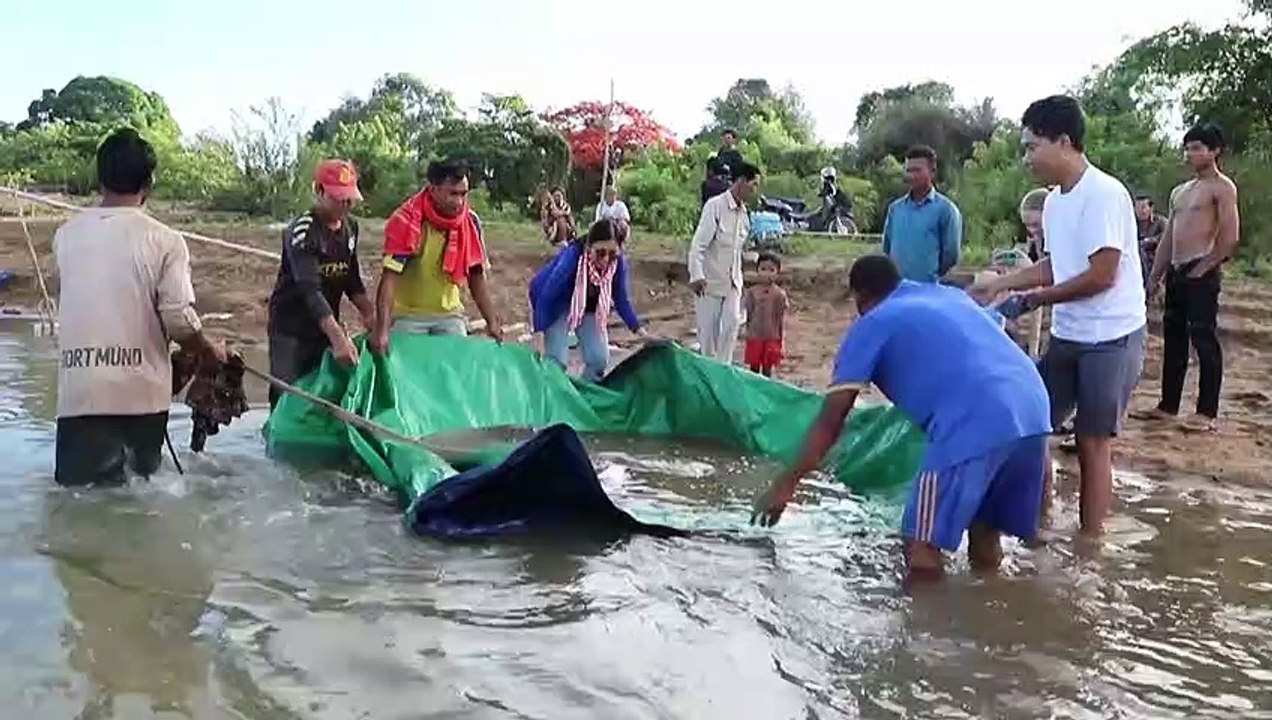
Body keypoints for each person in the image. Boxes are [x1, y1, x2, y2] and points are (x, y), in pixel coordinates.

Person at [751, 255, 1051, 580]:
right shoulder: (945, 296)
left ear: (860, 296)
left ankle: (923, 628)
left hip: (972, 421)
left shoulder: (872, 323)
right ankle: (992, 614)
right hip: (1034, 410)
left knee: (919, 545)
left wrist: (787, 482)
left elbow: (832, 418)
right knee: (985, 531)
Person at [970, 94, 1146, 538]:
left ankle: (1091, 545)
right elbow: (1059, 264)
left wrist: (1034, 299)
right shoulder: (1053, 202)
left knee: (1092, 441)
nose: (1027, 157)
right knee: (1031, 423)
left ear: (1064, 142)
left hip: (1112, 336)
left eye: (1032, 146)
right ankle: (1037, 522)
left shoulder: (1104, 194)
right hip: (1069, 333)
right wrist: (1005, 283)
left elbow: (1101, 275)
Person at [52, 128, 225, 487]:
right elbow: (178, 319)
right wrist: (208, 351)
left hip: (78, 398)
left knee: (81, 504)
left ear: (100, 179)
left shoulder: (65, 236)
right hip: (139, 399)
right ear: (150, 181)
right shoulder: (165, 241)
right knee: (137, 501)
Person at [1142, 123, 1240, 432]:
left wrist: (1206, 266)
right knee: (1173, 339)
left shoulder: (1222, 187)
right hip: (1177, 269)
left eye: (1198, 147)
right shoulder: (1180, 192)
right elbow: (1168, 238)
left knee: (1203, 338)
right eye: (1188, 147)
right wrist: (1155, 275)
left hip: (1202, 267)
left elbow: (1230, 235)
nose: (1191, 154)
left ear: (1214, 151)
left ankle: (1206, 412)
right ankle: (1168, 405)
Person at [265, 159, 375, 409]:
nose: (345, 205)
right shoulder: (303, 232)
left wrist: (370, 314)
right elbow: (310, 290)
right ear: (319, 191)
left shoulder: (351, 228)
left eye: (349, 198)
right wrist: (338, 338)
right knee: (287, 394)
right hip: (292, 329)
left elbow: (352, 279)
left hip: (323, 326)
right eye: (338, 198)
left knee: (322, 391)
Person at [370, 158, 503, 352]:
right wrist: (382, 330)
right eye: (453, 194)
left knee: (456, 371)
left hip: (449, 314)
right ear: (433, 190)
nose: (459, 202)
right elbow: (389, 278)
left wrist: (491, 320)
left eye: (463, 194)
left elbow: (476, 275)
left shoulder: (470, 222)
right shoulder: (406, 221)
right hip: (408, 315)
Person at [529, 219, 649, 380]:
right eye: (600, 253)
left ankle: (584, 395)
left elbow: (621, 299)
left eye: (612, 254)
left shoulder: (618, 264)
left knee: (598, 359)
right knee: (556, 362)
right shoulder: (572, 258)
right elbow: (547, 296)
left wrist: (639, 330)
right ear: (588, 247)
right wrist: (538, 334)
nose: (606, 260)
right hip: (555, 302)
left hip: (588, 304)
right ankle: (554, 398)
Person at [688, 161, 760, 364]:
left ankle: (722, 380)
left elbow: (735, 249)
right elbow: (698, 245)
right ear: (741, 181)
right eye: (753, 184)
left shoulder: (745, 215)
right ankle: (707, 385)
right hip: (709, 284)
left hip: (733, 284)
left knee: (729, 332)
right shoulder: (715, 207)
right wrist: (697, 275)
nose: (755, 189)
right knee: (708, 343)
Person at [881, 145, 963, 283]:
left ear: (932, 172)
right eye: (908, 170)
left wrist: (932, 275)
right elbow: (887, 248)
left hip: (929, 289)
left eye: (917, 170)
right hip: (897, 288)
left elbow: (951, 255)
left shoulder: (946, 210)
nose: (911, 175)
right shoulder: (895, 209)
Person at [742, 252, 788, 377]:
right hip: (754, 336)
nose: (766, 273)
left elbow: (781, 319)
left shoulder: (780, 295)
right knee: (753, 368)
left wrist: (781, 341)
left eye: (771, 270)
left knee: (767, 369)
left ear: (777, 273)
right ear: (757, 271)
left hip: (772, 336)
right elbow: (749, 314)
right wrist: (747, 333)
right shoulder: (751, 292)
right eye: (763, 269)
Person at [1134, 194, 1167, 289]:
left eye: (1143, 207)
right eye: (1138, 208)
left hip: (1157, 258)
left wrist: (1150, 241)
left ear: (1151, 208)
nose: (1141, 211)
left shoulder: (1160, 222)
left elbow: (1168, 236)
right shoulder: (1132, 224)